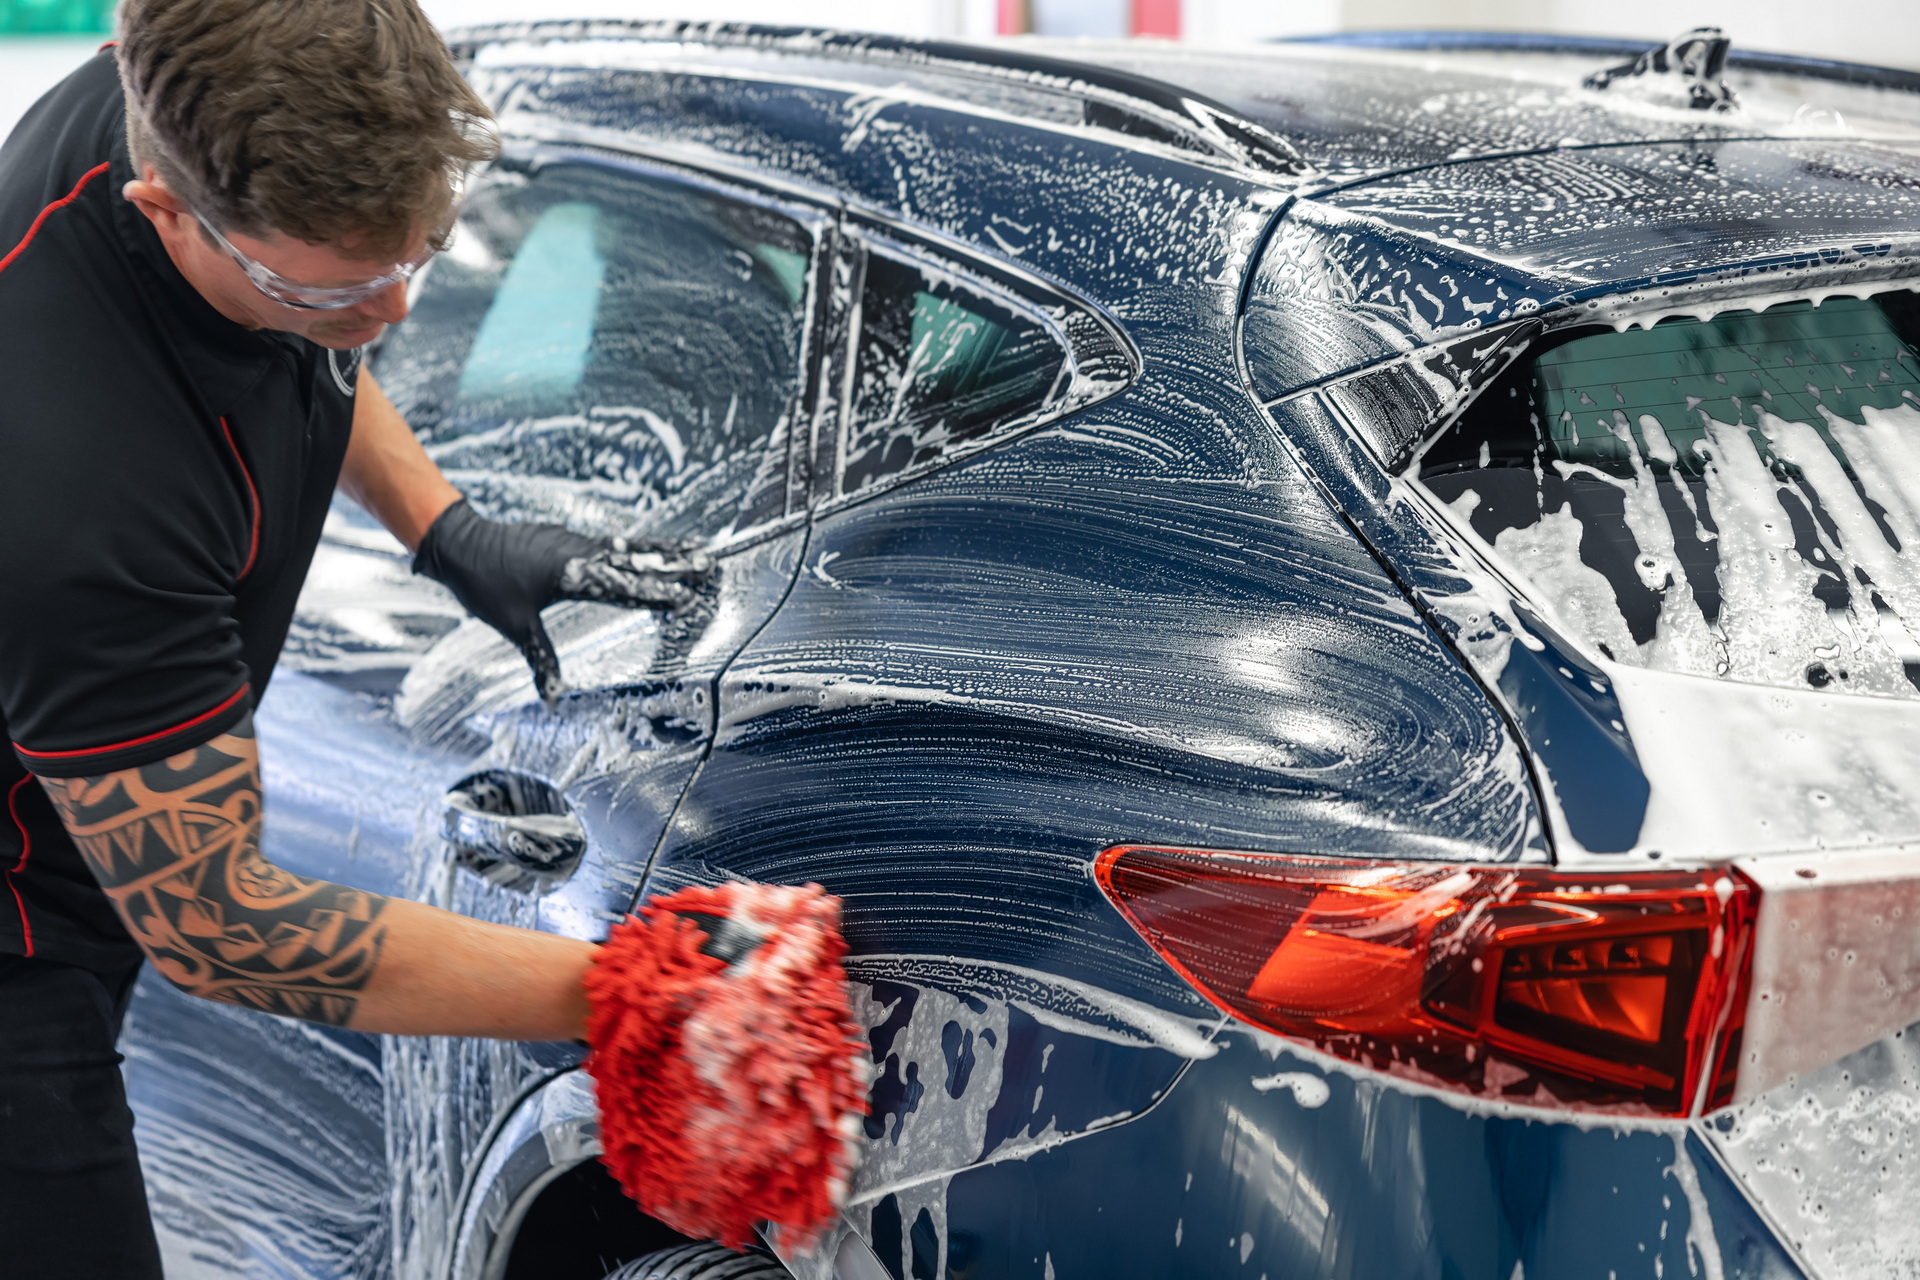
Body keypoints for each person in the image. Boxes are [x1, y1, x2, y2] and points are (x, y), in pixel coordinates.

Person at [0, 2, 710, 1274]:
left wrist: (447, 529)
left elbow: (327, 336)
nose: (389, 314)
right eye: (328, 290)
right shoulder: (77, 488)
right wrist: (640, 992)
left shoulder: (214, 65)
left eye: (419, 253)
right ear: (166, 209)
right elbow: (217, 921)